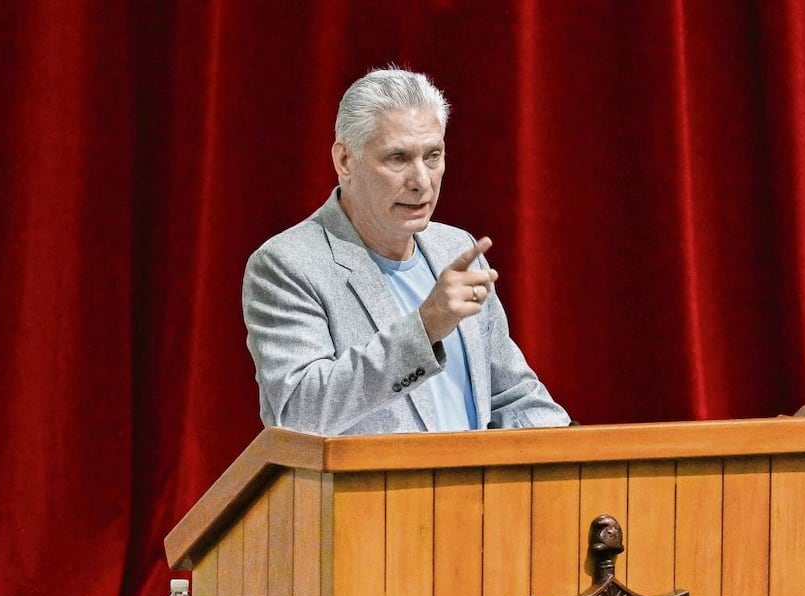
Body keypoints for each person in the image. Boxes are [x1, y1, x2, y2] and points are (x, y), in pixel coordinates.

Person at [242, 67, 570, 435]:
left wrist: (579, 461)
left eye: (433, 156)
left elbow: (512, 396)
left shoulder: (457, 249)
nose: (422, 181)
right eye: (398, 158)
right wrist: (426, 327)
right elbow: (300, 412)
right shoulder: (288, 265)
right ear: (345, 161)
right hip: (367, 494)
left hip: (473, 492)